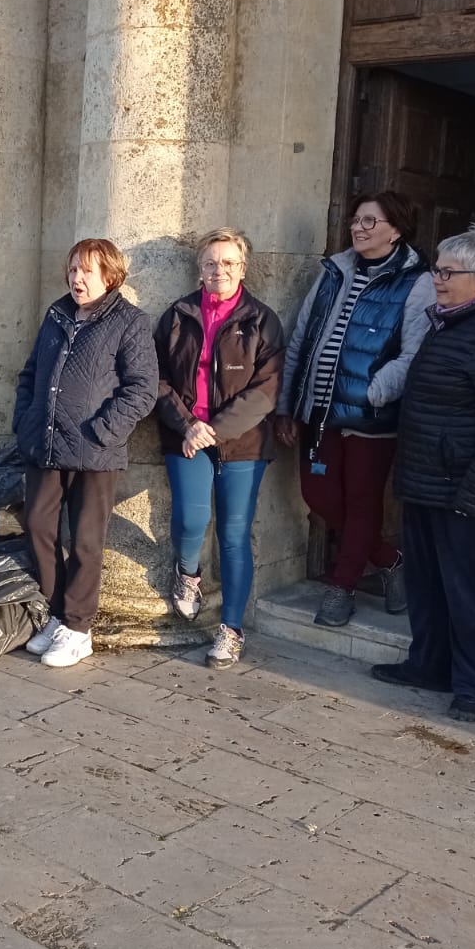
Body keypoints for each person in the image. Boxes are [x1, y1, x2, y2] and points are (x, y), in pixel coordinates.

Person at [374, 225, 475, 723]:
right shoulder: (447, 323)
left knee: (472, 590)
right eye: (436, 269)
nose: (436, 279)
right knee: (428, 583)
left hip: (468, 490)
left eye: (446, 272)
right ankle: (428, 665)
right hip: (427, 480)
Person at [274, 191, 434, 628]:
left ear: (396, 230)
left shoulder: (417, 282)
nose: (358, 228)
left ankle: (341, 589)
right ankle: (390, 560)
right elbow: (302, 338)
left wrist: (373, 393)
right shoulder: (334, 271)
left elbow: (414, 355)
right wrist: (288, 404)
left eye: (370, 221)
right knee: (318, 496)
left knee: (362, 504)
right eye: (356, 219)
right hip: (319, 414)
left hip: (369, 420)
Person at [14, 239, 159, 669]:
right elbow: (30, 373)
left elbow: (143, 387)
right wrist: (24, 421)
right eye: (74, 269)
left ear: (109, 276)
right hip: (46, 442)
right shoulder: (57, 314)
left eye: (88, 271)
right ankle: (57, 614)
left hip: (96, 450)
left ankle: (79, 629)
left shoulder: (129, 322)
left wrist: (105, 430)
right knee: (38, 525)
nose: (77, 278)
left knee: (86, 540)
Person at [153, 228, 285, 670]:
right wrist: (189, 425)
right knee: (191, 519)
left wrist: (215, 429)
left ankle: (231, 629)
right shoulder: (177, 315)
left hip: (243, 442)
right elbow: (155, 378)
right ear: (199, 268)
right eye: (211, 262)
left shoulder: (262, 320)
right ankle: (188, 573)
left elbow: (266, 391)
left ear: (243, 268)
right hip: (185, 436)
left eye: (229, 263)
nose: (219, 270)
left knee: (233, 533)